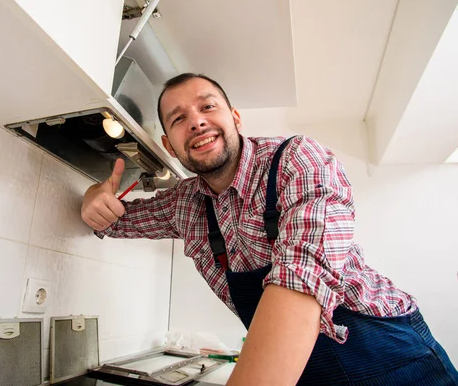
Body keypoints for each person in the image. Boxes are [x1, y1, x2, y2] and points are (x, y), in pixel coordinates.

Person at [81, 73, 458, 385]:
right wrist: (92, 197)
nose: (196, 121)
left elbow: (301, 279)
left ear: (236, 118)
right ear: (169, 144)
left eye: (207, 106)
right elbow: (113, 219)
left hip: (396, 361)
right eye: (178, 119)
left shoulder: (298, 159)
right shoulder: (185, 204)